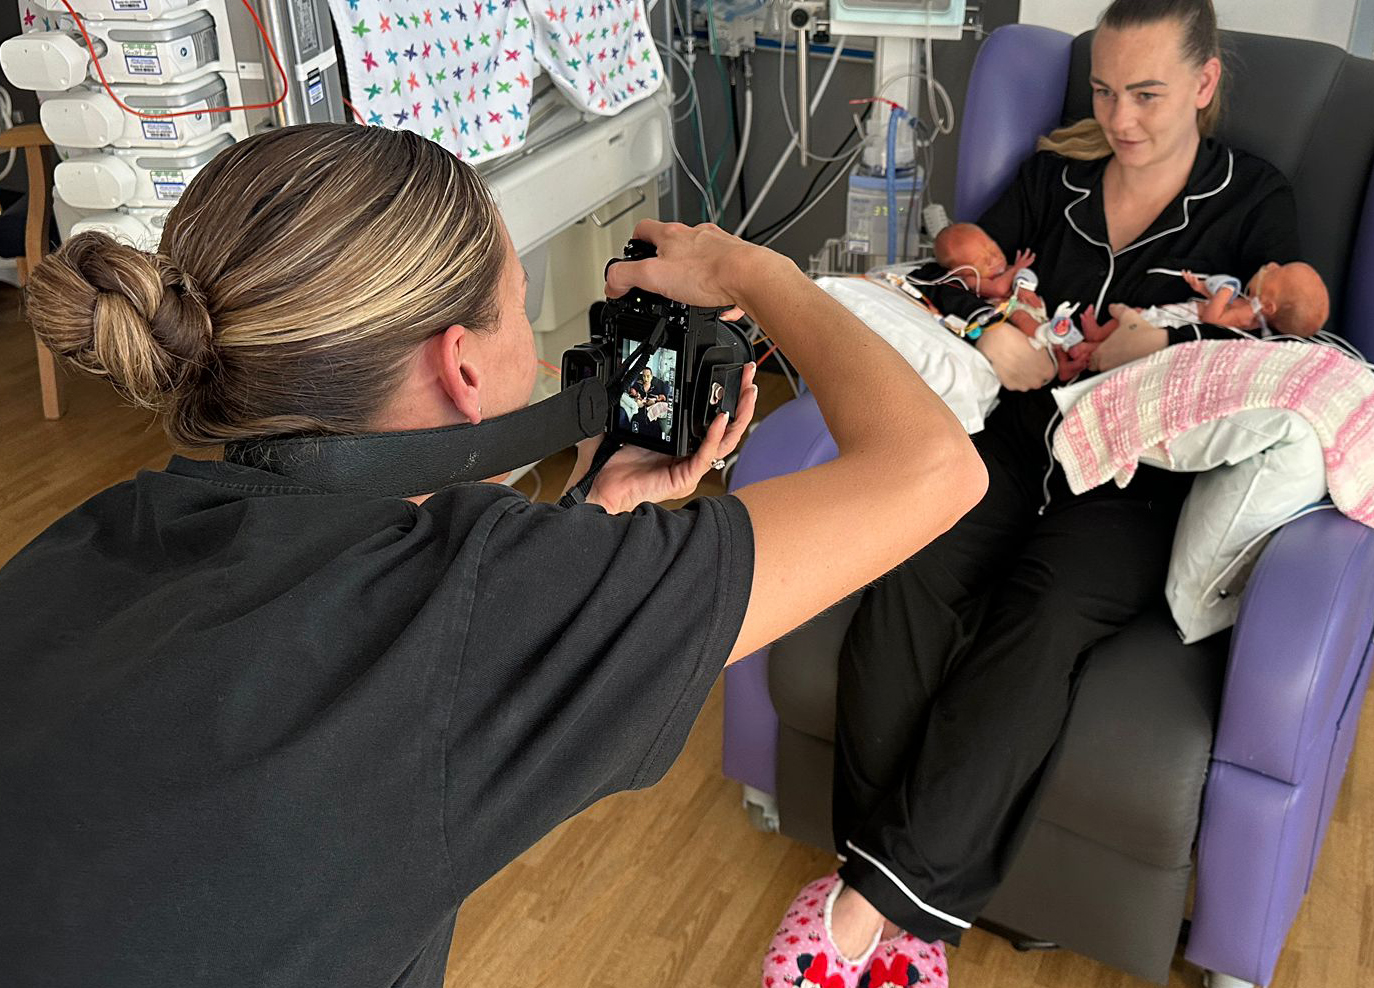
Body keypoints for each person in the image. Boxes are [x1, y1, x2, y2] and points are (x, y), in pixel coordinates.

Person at [0, 124, 987, 988]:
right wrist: (750, 273)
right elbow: (935, 469)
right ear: (461, 366)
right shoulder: (468, 602)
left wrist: (591, 512)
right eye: (518, 302)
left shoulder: (89, 535)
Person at [763, 0, 1303, 988]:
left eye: (1144, 93)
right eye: (1101, 91)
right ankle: (899, 911)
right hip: (1014, 434)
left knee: (1043, 617)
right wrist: (1003, 327)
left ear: (1202, 82)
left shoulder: (1252, 198)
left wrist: (1155, 348)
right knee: (910, 563)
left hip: (1133, 475)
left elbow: (1278, 340)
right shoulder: (1053, 177)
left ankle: (864, 905)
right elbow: (964, 269)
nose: (1117, 117)